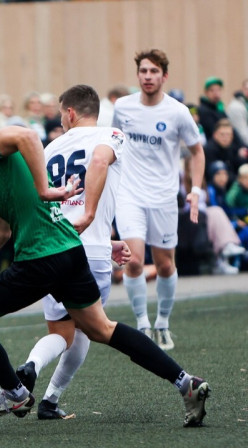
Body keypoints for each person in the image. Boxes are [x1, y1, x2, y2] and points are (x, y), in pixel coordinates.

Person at [0, 93, 210, 427]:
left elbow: (28, 134)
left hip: (39, 259)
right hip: (69, 251)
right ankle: (185, 383)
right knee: (101, 328)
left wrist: (46, 189)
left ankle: (15, 394)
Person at [14, 84, 132, 419]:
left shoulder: (49, 149)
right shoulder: (111, 135)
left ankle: (32, 366)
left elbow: (46, 207)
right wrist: (94, 220)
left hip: (54, 250)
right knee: (87, 328)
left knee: (61, 331)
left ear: (69, 112)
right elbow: (98, 161)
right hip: (90, 250)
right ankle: (50, 400)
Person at [113, 49, 206, 350]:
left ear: (164, 76)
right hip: (129, 195)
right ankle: (142, 324)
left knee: (165, 266)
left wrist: (195, 190)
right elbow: (110, 145)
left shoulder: (177, 112)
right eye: (143, 71)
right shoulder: (123, 107)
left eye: (154, 71)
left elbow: (197, 152)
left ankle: (162, 323)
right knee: (134, 260)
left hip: (165, 198)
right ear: (137, 75)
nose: (148, 76)